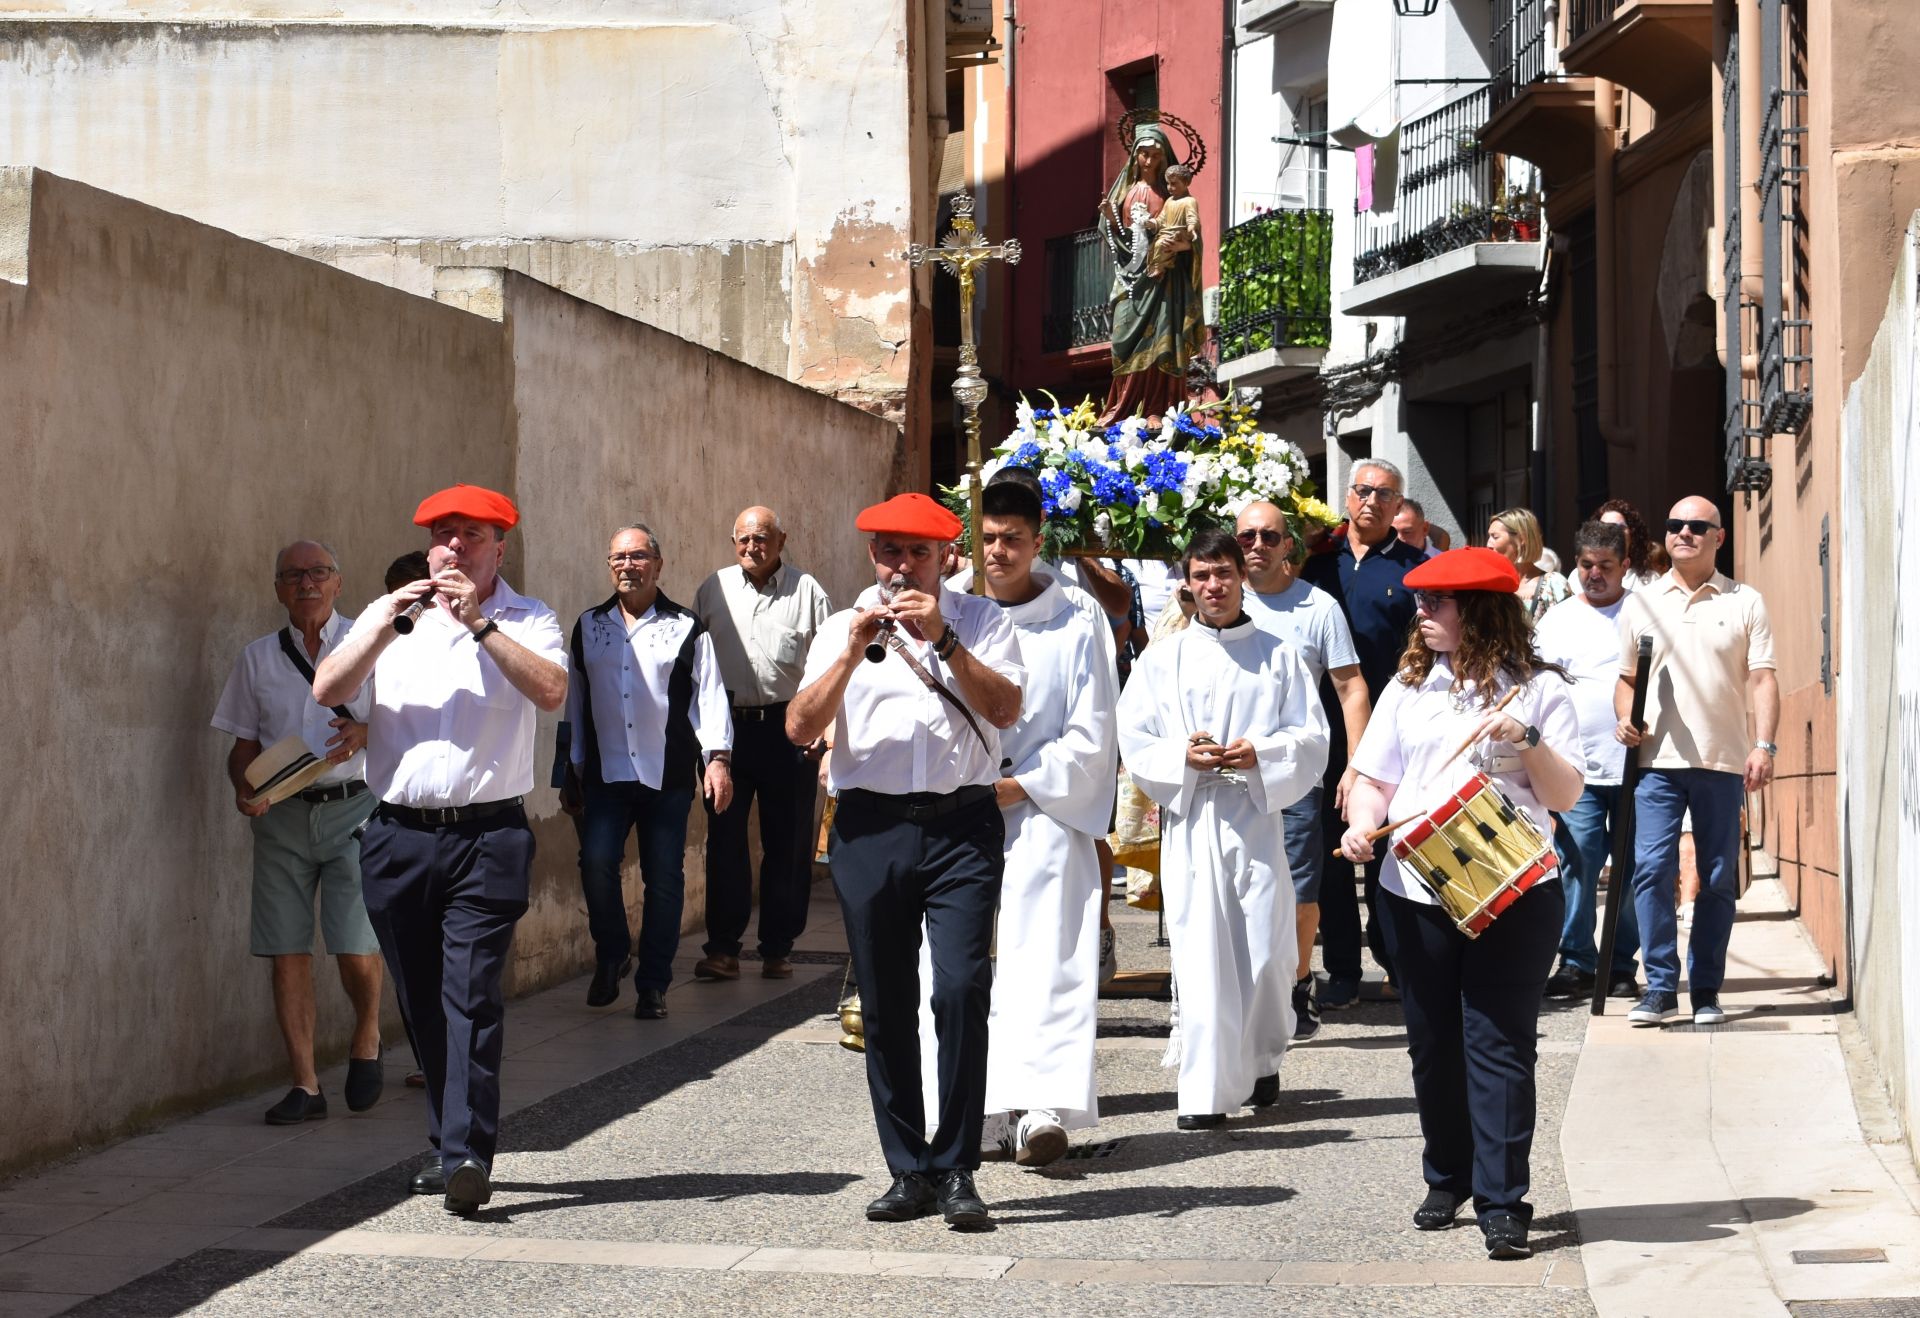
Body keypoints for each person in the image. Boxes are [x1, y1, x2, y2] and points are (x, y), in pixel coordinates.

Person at [313, 484, 567, 1216]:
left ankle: (466, 1154)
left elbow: (551, 692)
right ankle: (446, 1142)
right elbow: (330, 685)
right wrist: (386, 625)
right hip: (397, 837)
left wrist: (481, 624)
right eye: (441, 535)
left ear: (499, 548)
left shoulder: (529, 619)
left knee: (471, 995)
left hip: (487, 836)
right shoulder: (392, 615)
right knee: (422, 999)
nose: (452, 547)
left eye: (469, 536)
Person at [1337, 547, 1583, 1261]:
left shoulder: (1538, 691)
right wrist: (1360, 823)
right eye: (1421, 602)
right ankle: (1448, 1175)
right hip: (1415, 888)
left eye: (1436, 602)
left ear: (1478, 610)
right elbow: (1373, 778)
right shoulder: (1409, 687)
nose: (1422, 613)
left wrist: (1525, 740)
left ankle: (1504, 1202)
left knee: (1500, 1043)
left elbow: (1566, 796)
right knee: (1434, 1040)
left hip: (1513, 889)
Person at [787, 492, 1024, 1228]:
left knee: (959, 989)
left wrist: (946, 641)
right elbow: (800, 726)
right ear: (873, 555)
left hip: (961, 827)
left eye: (919, 552)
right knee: (885, 1003)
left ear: (946, 557)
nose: (903, 565)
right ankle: (908, 1168)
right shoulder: (840, 626)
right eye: (891, 551)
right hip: (871, 828)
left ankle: (957, 1167)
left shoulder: (985, 620)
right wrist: (854, 652)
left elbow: (1007, 709)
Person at [929, 481, 1117, 1167]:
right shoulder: (954, 611)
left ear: (1040, 542)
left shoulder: (1077, 618)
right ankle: (973, 1106)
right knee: (957, 965)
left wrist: (1026, 783)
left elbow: (1095, 726)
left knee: (1045, 959)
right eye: (989, 537)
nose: (999, 551)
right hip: (959, 810)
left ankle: (1039, 1107)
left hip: (1042, 808)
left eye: (1013, 538)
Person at [1117, 528, 1328, 1130]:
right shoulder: (1162, 659)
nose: (1214, 586)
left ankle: (1262, 1056)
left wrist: (1258, 751)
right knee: (1201, 948)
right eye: (1202, 576)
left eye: (1224, 574)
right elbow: (1135, 738)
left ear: (1242, 578)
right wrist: (1182, 756)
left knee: (1265, 951)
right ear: (1188, 582)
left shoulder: (1278, 654)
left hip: (1256, 818)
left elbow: (1311, 738)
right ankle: (1205, 1091)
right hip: (1193, 818)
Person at [211, 540, 383, 1125]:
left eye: (317, 573)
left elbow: (408, 722)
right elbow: (242, 744)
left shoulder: (374, 641)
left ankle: (367, 1034)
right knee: (286, 950)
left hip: (355, 807)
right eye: (292, 576)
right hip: (282, 814)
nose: (305, 584)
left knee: (354, 944)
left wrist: (365, 732)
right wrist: (245, 789)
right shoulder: (257, 658)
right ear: (278, 588)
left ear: (338, 582)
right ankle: (305, 1085)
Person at [1617, 497, 1777, 1028]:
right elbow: (1627, 681)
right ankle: (1659, 987)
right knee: (1651, 870)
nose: (1683, 533)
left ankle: (1705, 989)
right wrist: (1624, 718)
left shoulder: (1745, 600)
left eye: (1696, 526)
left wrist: (1765, 745)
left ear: (1718, 537)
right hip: (1655, 761)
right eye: (1674, 526)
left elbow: (1762, 678)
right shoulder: (1641, 601)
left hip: (1724, 759)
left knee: (1716, 878)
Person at [561, 525, 733, 1017]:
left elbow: (709, 696)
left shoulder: (686, 627)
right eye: (618, 558)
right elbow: (575, 700)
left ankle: (654, 983)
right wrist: (571, 768)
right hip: (605, 774)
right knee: (596, 864)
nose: (627, 566)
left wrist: (717, 759)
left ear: (658, 565)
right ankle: (613, 953)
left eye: (638, 557)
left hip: (668, 775)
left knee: (663, 879)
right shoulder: (588, 625)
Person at [1234, 501, 1370, 1039]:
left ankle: (1295, 982)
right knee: (1235, 889)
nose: (1258, 546)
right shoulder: (1219, 597)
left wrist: (1356, 767)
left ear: (1289, 544)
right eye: (1247, 537)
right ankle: (1243, 988)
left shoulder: (1317, 607)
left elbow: (1350, 686)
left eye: (1270, 536)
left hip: (1293, 775)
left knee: (1298, 889)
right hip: (1224, 775)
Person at [1301, 459, 1425, 1006]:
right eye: (1363, 490)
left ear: (1399, 507)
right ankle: (1343, 972)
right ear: (1348, 498)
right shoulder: (1313, 565)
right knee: (1330, 850)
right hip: (1318, 727)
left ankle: (1397, 961)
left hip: (1387, 729)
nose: (1372, 501)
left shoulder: (1414, 570)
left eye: (1385, 494)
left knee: (1382, 846)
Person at [691, 508, 830, 983]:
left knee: (787, 842)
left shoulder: (807, 591)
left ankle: (777, 946)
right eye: (744, 539)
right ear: (733, 541)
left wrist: (823, 732)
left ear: (781, 539)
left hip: (788, 729)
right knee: (726, 840)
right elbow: (697, 662)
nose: (753, 547)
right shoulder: (713, 588)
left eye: (762, 538)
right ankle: (723, 949)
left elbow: (829, 664)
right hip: (726, 730)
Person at [1534, 522, 1642, 1000]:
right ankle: (1577, 960)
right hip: (1574, 769)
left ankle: (1620, 964)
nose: (1594, 574)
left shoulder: (1643, 613)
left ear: (1625, 565)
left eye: (1605, 566)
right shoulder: (1555, 620)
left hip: (1638, 765)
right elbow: (1534, 688)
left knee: (1636, 867)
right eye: (1586, 565)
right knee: (1576, 863)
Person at [1097, 120, 1207, 424]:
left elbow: (1192, 236)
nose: (1149, 161)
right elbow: (1120, 239)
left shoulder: (1175, 196)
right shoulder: (1125, 194)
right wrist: (1109, 217)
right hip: (1131, 278)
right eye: (1144, 154)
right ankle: (1122, 407)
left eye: (1156, 155)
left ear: (1165, 158)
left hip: (1165, 280)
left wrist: (1180, 246)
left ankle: (1157, 408)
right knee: (1123, 337)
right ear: (1135, 157)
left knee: (1162, 341)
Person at [1486, 508, 1569, 627]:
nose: (1488, 544)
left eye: (1495, 537)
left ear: (1521, 539)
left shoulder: (1554, 584)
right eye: (1489, 536)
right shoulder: (1490, 585)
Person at [1593, 498, 1663, 591]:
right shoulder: (1579, 578)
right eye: (1606, 527)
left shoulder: (1651, 581)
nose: (1614, 532)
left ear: (1632, 533)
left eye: (1621, 527)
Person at [1146, 164, 1200, 280]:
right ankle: (1158, 266)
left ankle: (1160, 266)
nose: (1169, 187)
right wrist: (1153, 223)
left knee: (1162, 244)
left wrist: (1191, 228)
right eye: (1168, 183)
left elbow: (1192, 218)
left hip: (1179, 233)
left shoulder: (1189, 201)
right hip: (1166, 232)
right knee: (1156, 245)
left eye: (1174, 184)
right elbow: (1161, 219)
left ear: (1186, 183)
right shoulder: (1169, 201)